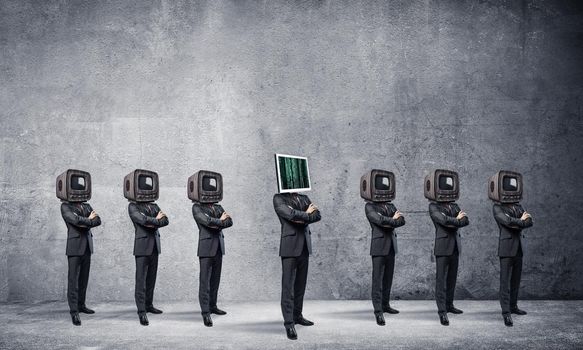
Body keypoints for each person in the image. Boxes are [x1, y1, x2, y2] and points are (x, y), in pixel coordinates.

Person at [273, 192, 321, 340]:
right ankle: (289, 323)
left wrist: (301, 216)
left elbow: (317, 215)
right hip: (289, 247)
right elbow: (290, 215)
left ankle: (297, 316)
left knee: (300, 286)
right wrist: (306, 215)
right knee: (288, 288)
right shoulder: (279, 198)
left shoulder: (304, 198)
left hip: (304, 248)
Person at [192, 201, 233, 327]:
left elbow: (229, 221)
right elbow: (207, 222)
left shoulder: (218, 206)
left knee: (215, 280)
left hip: (219, 248)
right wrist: (221, 221)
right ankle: (205, 313)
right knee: (205, 282)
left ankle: (213, 306)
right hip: (206, 248)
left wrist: (216, 223)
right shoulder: (197, 207)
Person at [128, 200, 168, 326]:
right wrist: (156, 221)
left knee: (151, 279)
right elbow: (142, 220)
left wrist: (151, 222)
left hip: (155, 247)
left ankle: (149, 305)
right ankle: (141, 311)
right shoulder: (133, 206)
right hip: (142, 247)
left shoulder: (154, 205)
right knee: (141, 281)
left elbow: (165, 220)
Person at [364, 201, 405, 326]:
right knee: (377, 281)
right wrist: (393, 220)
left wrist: (388, 221)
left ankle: (385, 305)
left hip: (391, 247)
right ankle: (378, 311)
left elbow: (402, 221)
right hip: (378, 247)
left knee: (388, 279)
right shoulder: (369, 206)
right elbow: (379, 220)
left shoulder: (391, 205)